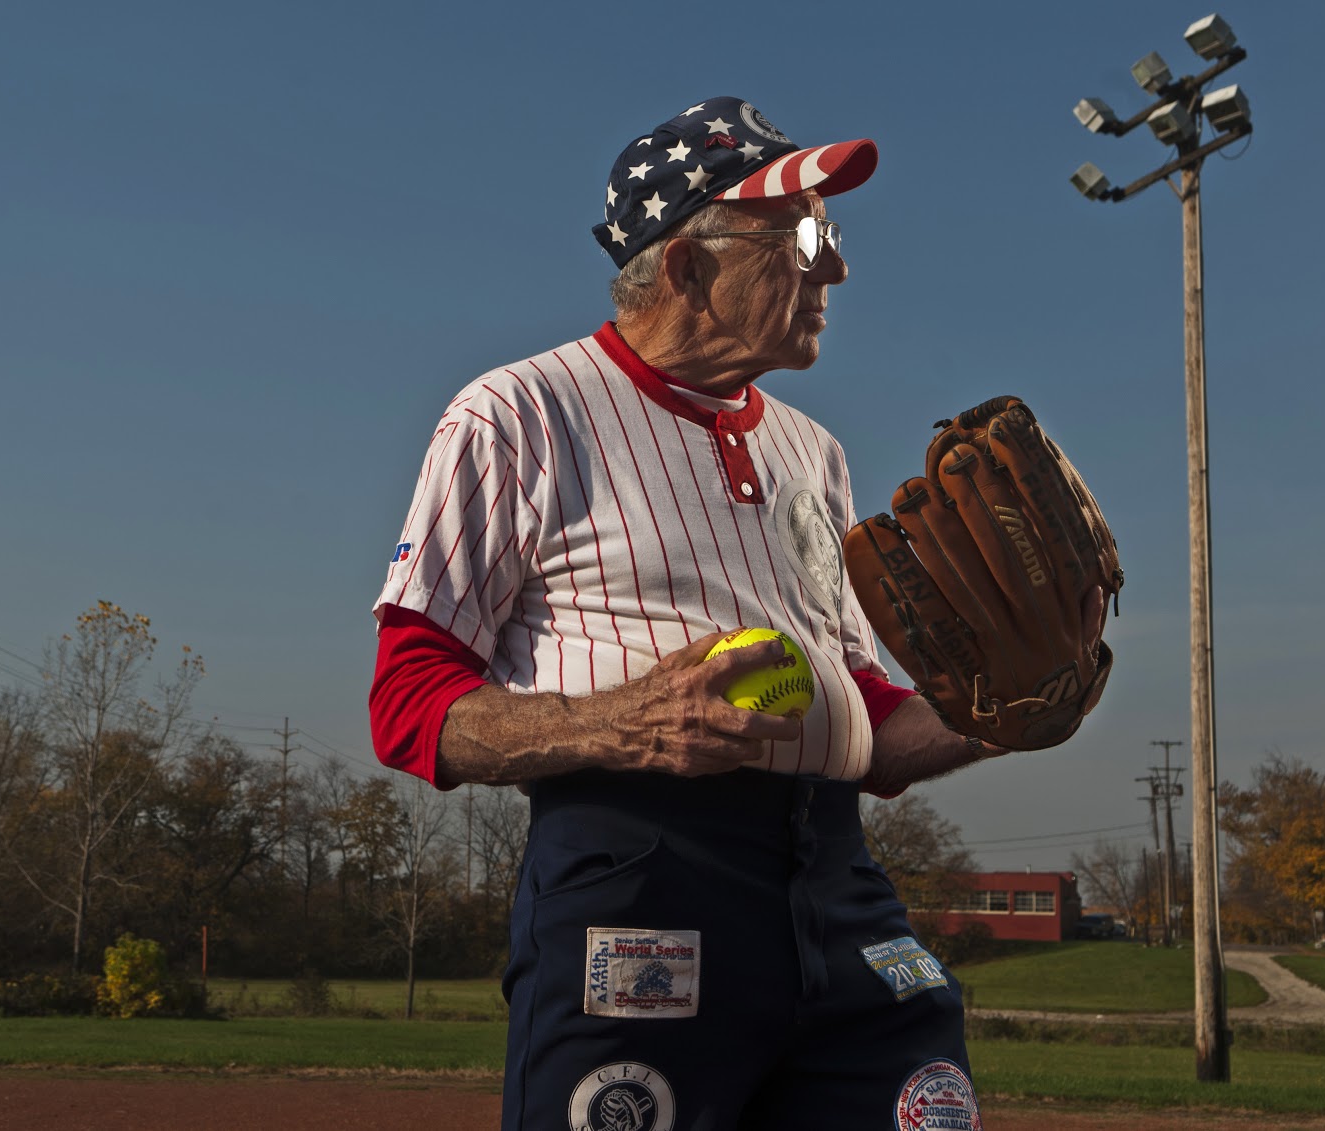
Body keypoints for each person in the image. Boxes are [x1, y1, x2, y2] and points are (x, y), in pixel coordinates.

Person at [369, 96, 1039, 1130]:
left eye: (834, 235)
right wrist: (618, 722)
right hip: (638, 871)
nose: (837, 268)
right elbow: (410, 702)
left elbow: (862, 719)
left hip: (836, 870)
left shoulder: (811, 452)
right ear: (685, 266)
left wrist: (1007, 701)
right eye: (806, 237)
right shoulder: (517, 412)